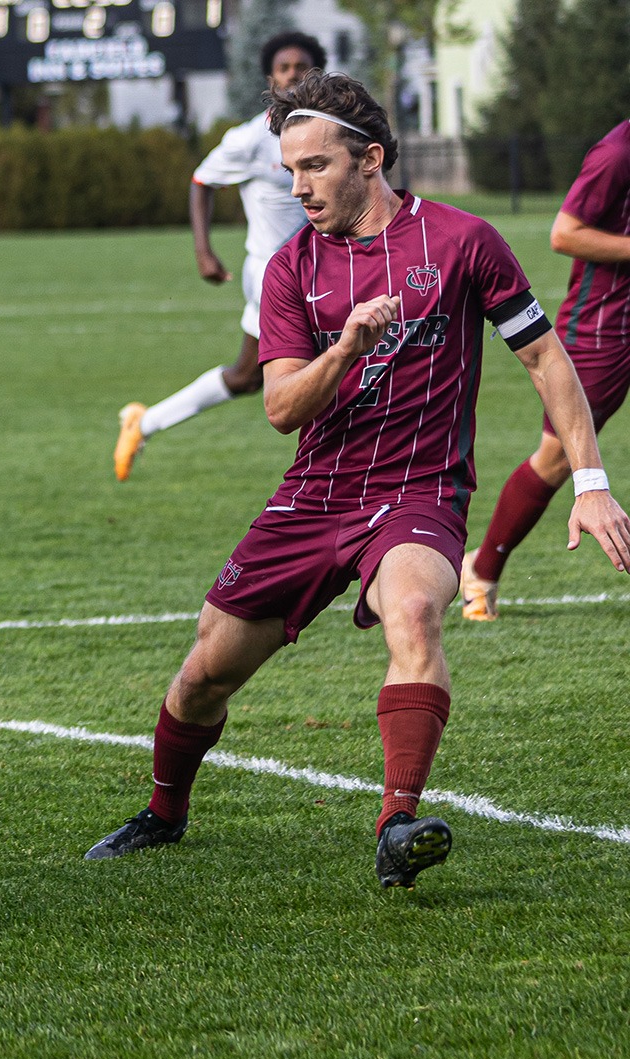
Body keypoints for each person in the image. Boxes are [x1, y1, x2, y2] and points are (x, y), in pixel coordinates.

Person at [84, 72, 630, 886]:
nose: (295, 185)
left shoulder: (461, 241)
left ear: (369, 159)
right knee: (203, 675)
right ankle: (164, 813)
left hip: (420, 493)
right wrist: (344, 350)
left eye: (313, 166)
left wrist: (589, 479)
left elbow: (547, 358)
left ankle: (398, 824)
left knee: (414, 612)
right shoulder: (289, 270)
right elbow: (278, 408)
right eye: (288, 169)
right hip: (316, 496)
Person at [113, 32, 324, 481]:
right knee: (331, 366)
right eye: (283, 68)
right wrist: (203, 251)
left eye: (301, 67)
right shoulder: (250, 138)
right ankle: (335, 477)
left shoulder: (330, 134)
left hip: (321, 271)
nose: (292, 75)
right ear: (270, 77)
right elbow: (202, 181)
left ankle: (143, 422)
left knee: (247, 376)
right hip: (274, 276)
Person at [462, 119, 630, 619]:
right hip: (606, 325)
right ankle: (483, 569)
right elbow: (565, 233)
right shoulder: (617, 153)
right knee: (559, 458)